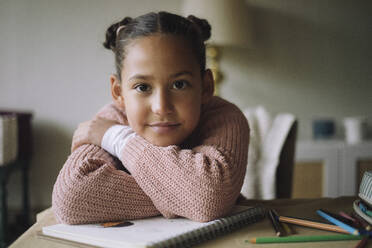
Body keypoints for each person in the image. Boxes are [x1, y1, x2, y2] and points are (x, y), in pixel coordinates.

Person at [52, 11, 250, 224]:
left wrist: (118, 139)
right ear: (118, 92)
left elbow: (211, 195)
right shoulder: (109, 120)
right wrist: (189, 194)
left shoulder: (224, 118)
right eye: (142, 87)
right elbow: (71, 199)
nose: (161, 107)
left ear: (206, 87)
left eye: (179, 84)